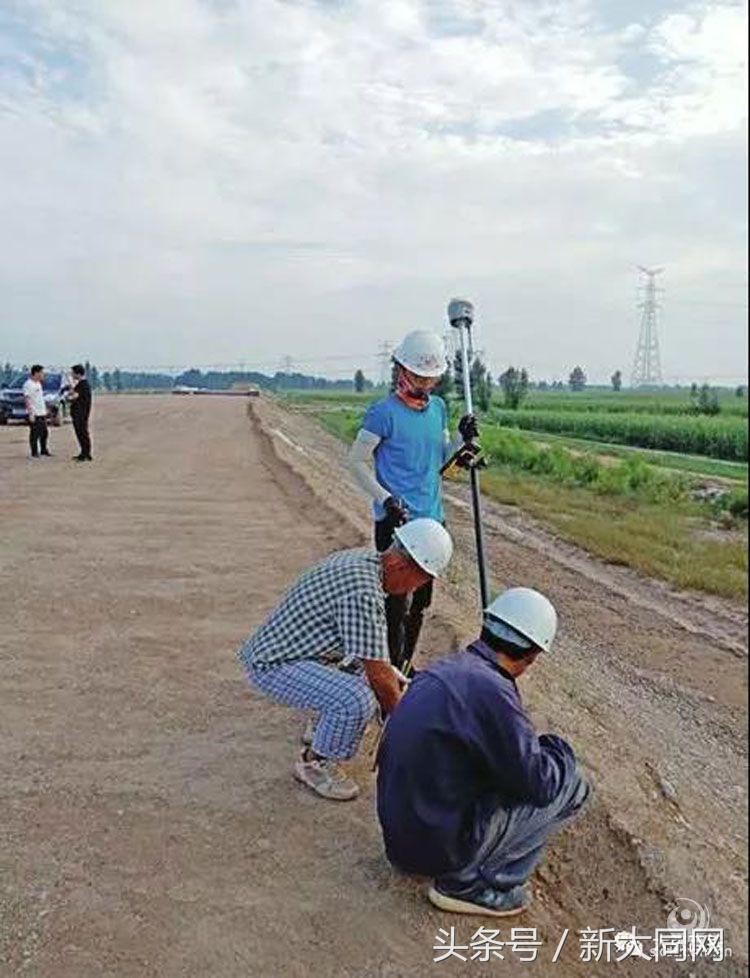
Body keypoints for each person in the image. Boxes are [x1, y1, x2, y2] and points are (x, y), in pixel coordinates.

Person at [376, 587, 590, 917]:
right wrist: (558, 748)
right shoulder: (492, 692)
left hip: (402, 844)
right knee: (570, 782)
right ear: (531, 655)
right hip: (434, 850)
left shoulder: (446, 669)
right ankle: (470, 885)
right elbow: (539, 784)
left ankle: (461, 864)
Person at [238, 518, 453, 802]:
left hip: (297, 651)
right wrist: (408, 729)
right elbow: (380, 679)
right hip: (273, 664)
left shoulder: (364, 561)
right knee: (357, 699)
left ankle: (323, 726)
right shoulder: (364, 593)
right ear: (402, 567)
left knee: (366, 675)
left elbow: (371, 657)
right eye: (420, 581)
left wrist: (388, 675)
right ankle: (315, 763)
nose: (414, 591)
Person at [348, 330, 478, 672]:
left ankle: (405, 665)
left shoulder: (438, 408)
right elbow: (356, 461)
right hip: (397, 522)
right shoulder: (383, 413)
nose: (425, 383)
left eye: (432, 377)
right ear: (401, 370)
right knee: (394, 604)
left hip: (433, 521)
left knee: (420, 602)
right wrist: (385, 499)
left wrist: (463, 443)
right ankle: (387, 671)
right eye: (419, 375)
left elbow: (441, 463)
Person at [23, 364, 51, 459]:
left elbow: (39, 398)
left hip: (41, 412)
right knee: (35, 434)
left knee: (44, 433)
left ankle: (44, 450)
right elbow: (27, 399)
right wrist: (31, 413)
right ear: (36, 373)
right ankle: (34, 453)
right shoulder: (28, 384)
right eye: (42, 373)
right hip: (34, 413)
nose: (43, 375)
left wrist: (45, 409)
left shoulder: (38, 384)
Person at [68, 363, 93, 461]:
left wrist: (71, 387)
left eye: (73, 373)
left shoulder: (82, 385)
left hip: (80, 413)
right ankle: (84, 452)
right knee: (82, 433)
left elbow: (74, 396)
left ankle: (85, 454)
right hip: (80, 413)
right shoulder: (81, 384)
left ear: (78, 374)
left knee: (82, 433)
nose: (72, 375)